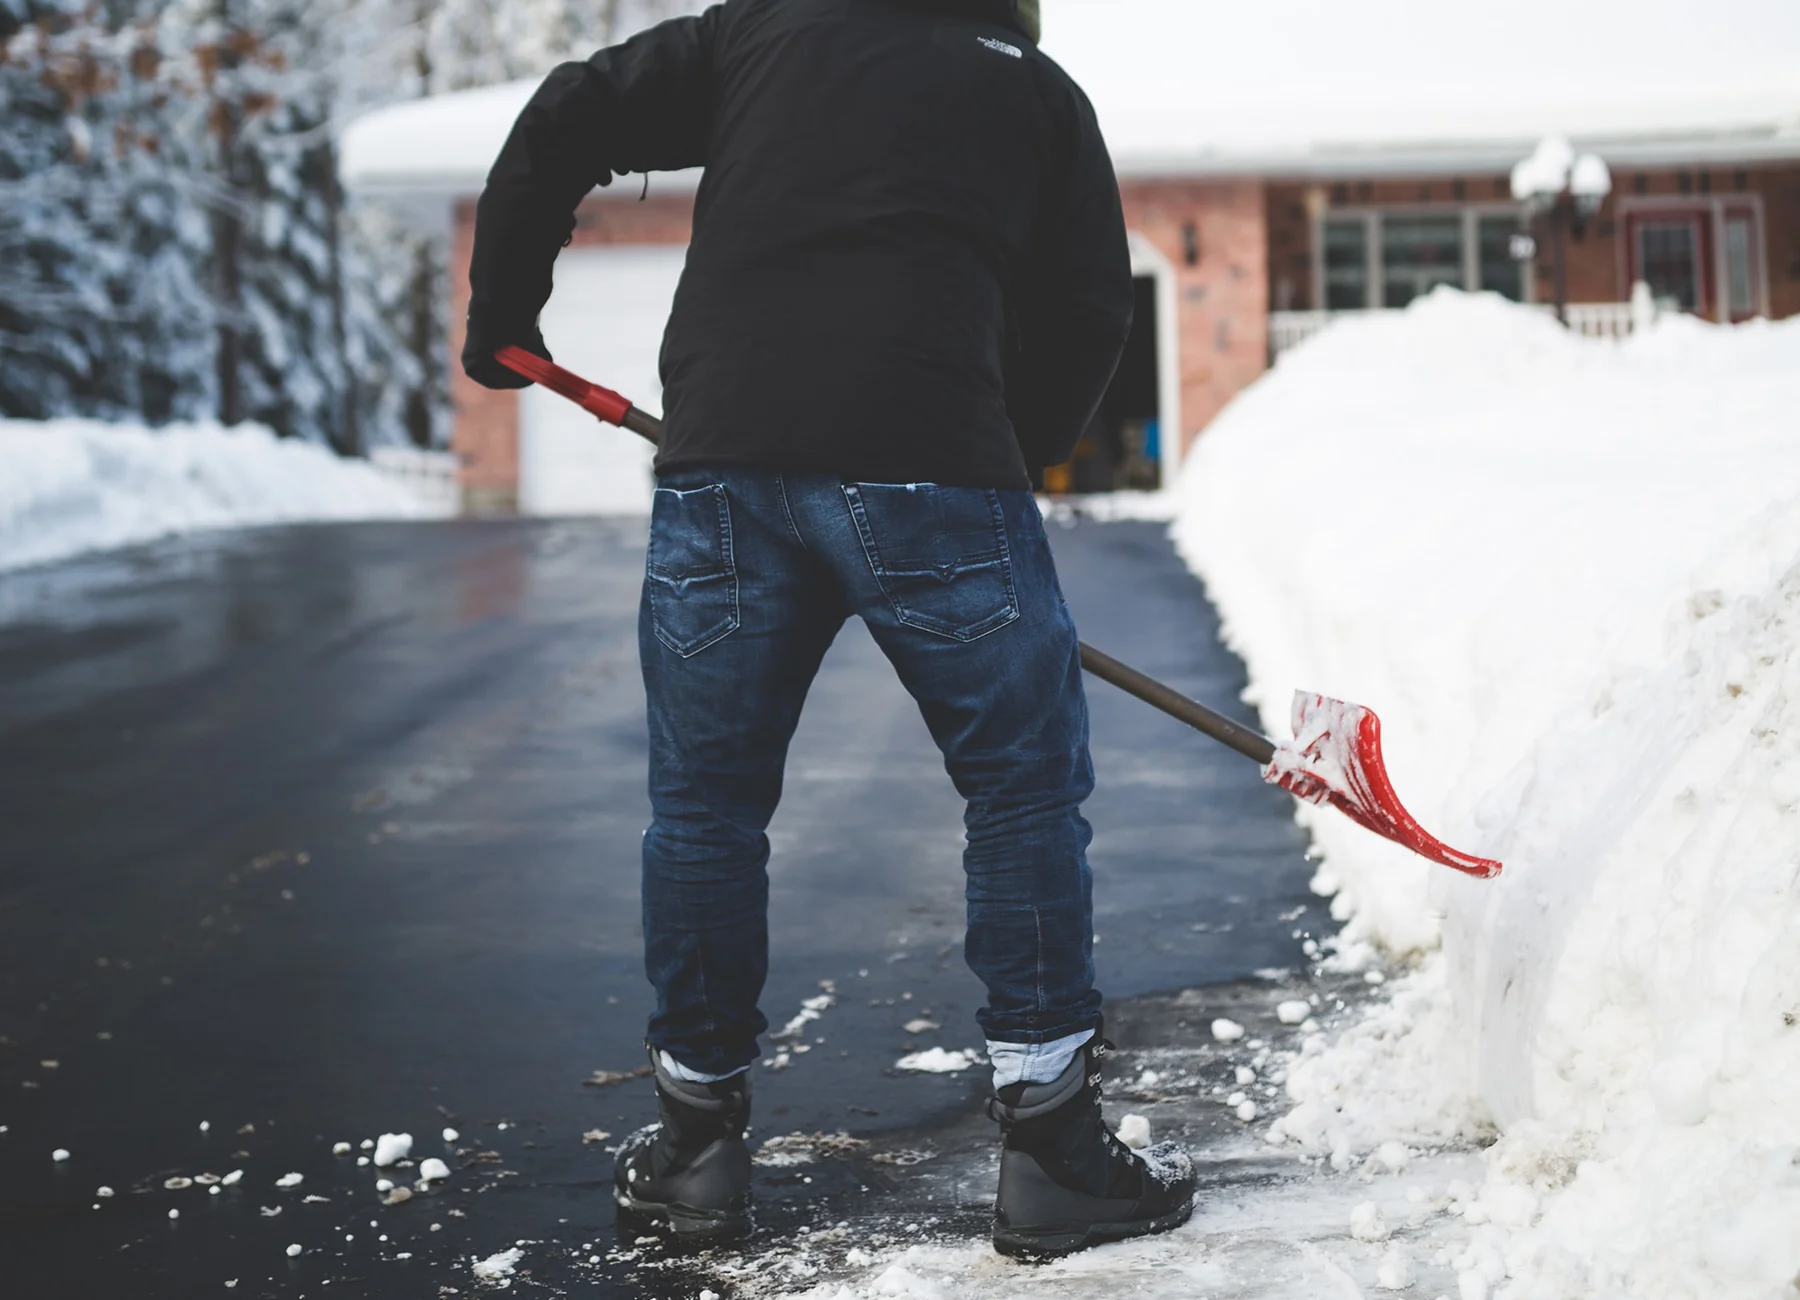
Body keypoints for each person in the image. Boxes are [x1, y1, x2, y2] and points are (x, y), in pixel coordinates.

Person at [462, 0, 1196, 1260]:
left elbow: (568, 109)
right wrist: (989, 469)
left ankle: (696, 1149)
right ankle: (1053, 1148)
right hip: (933, 458)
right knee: (1020, 790)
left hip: (724, 465)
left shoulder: (758, 36)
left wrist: (502, 306)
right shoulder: (1032, 90)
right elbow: (1089, 312)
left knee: (704, 805)